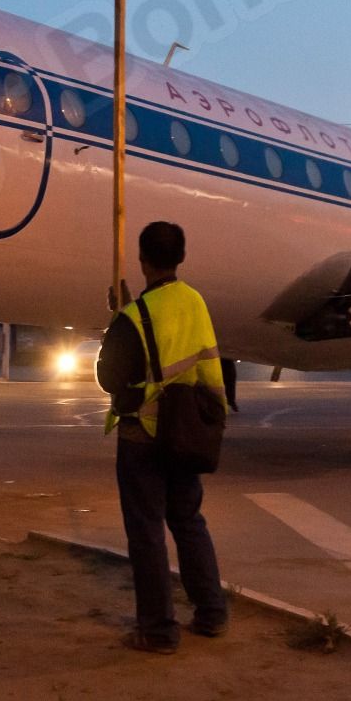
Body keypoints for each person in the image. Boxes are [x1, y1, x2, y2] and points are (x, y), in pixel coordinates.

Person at [98, 221, 229, 654]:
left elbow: (109, 377)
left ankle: (158, 630)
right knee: (189, 522)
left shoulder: (133, 318)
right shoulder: (196, 303)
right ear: (180, 258)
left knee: (147, 533)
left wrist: (118, 318)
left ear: (142, 260)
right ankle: (212, 613)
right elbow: (210, 368)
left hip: (142, 437)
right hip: (185, 433)